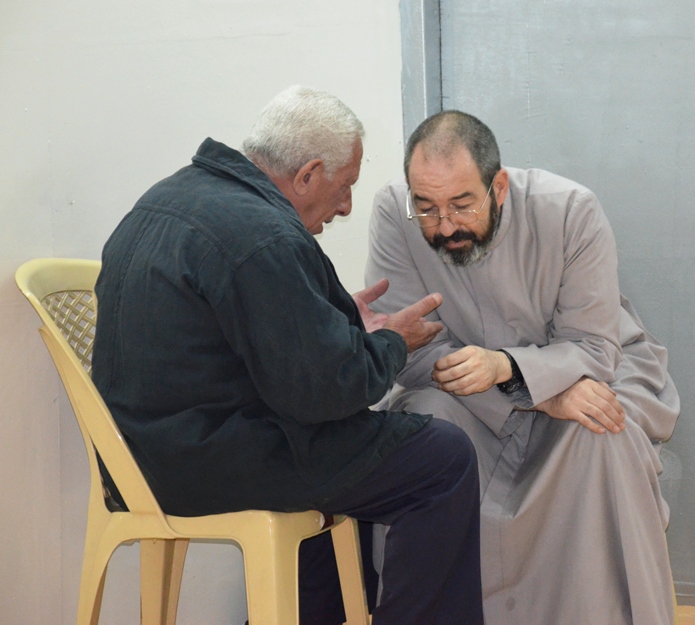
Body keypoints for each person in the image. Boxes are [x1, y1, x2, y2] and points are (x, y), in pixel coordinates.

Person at [91, 87, 484, 625]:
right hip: (201, 461)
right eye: (344, 186)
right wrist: (393, 342)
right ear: (308, 175)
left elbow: (228, 338)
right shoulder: (262, 235)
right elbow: (324, 392)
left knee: (356, 461)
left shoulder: (171, 197)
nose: (346, 205)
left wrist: (334, 318)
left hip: (139, 457)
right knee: (440, 458)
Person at [365, 110, 680, 625]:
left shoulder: (570, 210)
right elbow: (410, 350)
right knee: (423, 423)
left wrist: (515, 373)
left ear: (500, 187)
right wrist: (529, 390)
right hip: (467, 393)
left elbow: (595, 347)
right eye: (427, 208)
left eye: (462, 205)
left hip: (586, 369)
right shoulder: (394, 215)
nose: (444, 227)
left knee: (602, 433)